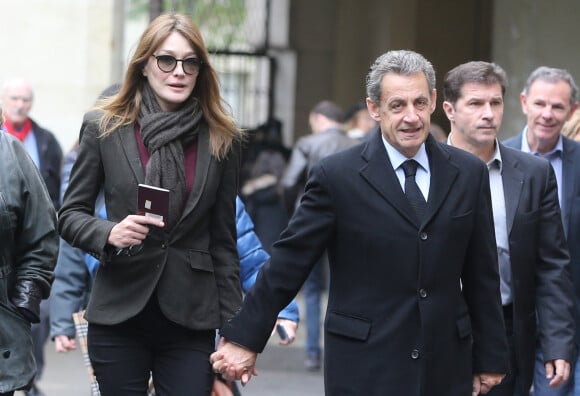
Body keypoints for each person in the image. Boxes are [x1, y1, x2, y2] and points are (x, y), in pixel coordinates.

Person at [211, 49, 509, 395]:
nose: (411, 117)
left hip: (443, 364)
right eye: (397, 105)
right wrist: (245, 337)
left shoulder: (468, 173)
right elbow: (290, 261)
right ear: (374, 109)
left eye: (418, 103)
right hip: (364, 364)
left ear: (433, 101)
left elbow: (482, 274)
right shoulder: (337, 176)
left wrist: (490, 357)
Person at [58, 13, 244, 396]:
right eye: (166, 60)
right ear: (144, 64)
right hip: (120, 311)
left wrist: (235, 333)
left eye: (190, 62)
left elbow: (225, 245)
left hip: (190, 319)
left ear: (200, 71)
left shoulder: (221, 139)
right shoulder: (104, 126)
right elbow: (69, 216)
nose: (179, 71)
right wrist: (110, 232)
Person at [443, 61, 576, 395]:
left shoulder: (532, 173)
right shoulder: (422, 170)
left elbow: (551, 266)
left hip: (505, 331)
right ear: (449, 109)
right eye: (476, 103)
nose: (488, 113)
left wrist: (558, 343)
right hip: (435, 332)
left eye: (495, 103)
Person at [504, 66, 580, 396]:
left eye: (558, 107)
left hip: (568, 316)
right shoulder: (495, 159)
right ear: (523, 102)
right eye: (539, 104)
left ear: (573, 111)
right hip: (509, 318)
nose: (547, 114)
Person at [280, 99, 356, 371]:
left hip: (311, 223)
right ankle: (344, 352)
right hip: (351, 224)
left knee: (311, 290)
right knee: (345, 288)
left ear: (317, 118)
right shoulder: (357, 145)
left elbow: (289, 182)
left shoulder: (308, 143)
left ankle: (312, 352)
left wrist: (295, 212)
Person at [1, 78, 63, 396]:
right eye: (14, 98)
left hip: (7, 316)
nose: (19, 104)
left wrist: (24, 302)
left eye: (25, 99)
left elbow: (42, 231)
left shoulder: (18, 151)